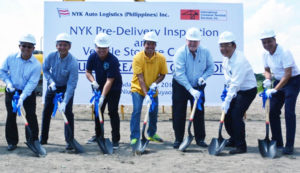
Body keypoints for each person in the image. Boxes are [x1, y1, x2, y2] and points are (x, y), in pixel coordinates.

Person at [172, 27, 214, 149]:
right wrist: (190, 89)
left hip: (198, 85)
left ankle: (200, 138)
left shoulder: (205, 51)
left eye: (195, 41)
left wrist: (204, 77)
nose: (192, 43)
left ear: (199, 42)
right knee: (179, 112)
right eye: (190, 41)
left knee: (199, 112)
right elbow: (179, 74)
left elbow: (211, 68)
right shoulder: (180, 53)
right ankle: (178, 139)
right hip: (181, 85)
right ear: (186, 40)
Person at [260, 29, 300, 155]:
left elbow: (287, 74)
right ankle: (277, 141)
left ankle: (289, 145)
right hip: (278, 80)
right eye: (264, 42)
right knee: (272, 111)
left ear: (275, 40)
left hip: (293, 81)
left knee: (289, 112)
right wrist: (267, 79)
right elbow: (267, 69)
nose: (267, 45)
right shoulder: (265, 55)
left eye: (269, 42)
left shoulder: (284, 52)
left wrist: (274, 89)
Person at [0, 34, 41, 151]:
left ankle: (32, 140)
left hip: (28, 92)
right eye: (24, 46)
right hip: (11, 90)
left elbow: (32, 83)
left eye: (29, 46)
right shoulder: (10, 58)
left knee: (31, 115)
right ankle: (12, 142)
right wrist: (8, 83)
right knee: (11, 115)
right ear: (20, 46)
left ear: (33, 48)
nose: (26, 49)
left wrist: (23, 96)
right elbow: (2, 71)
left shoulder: (36, 65)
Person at [219, 31, 257, 154]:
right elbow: (229, 79)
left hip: (247, 90)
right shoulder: (225, 59)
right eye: (221, 45)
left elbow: (236, 83)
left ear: (234, 46)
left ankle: (241, 146)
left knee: (236, 114)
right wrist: (227, 92)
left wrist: (228, 99)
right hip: (237, 89)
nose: (223, 48)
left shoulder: (239, 60)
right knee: (227, 114)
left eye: (227, 45)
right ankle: (234, 138)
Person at [40, 33, 79, 150]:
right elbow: (45, 69)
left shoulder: (73, 62)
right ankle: (43, 138)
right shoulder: (51, 56)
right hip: (53, 86)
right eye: (60, 45)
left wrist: (65, 101)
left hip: (66, 88)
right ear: (56, 46)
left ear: (69, 46)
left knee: (68, 113)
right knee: (46, 111)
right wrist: (50, 81)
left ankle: (69, 141)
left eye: (65, 45)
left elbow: (72, 85)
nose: (62, 47)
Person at [130, 31, 168, 145]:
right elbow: (140, 78)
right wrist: (146, 95)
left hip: (152, 89)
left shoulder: (161, 58)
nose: (150, 46)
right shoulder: (138, 57)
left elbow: (163, 74)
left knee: (153, 112)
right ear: (144, 44)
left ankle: (151, 134)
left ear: (155, 45)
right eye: (148, 44)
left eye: (153, 44)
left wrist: (155, 83)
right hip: (138, 88)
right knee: (137, 111)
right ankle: (135, 136)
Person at [86, 33, 122, 149]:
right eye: (99, 47)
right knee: (98, 111)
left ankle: (115, 139)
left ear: (108, 48)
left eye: (104, 48)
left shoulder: (113, 60)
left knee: (112, 111)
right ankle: (98, 135)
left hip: (114, 88)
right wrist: (93, 81)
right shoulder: (92, 57)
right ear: (95, 46)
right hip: (100, 86)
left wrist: (102, 97)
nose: (101, 50)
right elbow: (88, 72)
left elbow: (110, 81)